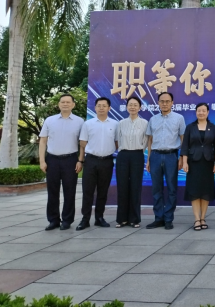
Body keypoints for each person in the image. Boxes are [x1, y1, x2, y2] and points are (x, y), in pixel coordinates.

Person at [39, 93, 84, 231]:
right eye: (62, 102)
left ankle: (67, 220)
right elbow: (43, 141)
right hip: (52, 159)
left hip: (70, 159)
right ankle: (53, 220)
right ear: (58, 104)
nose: (65, 104)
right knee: (52, 191)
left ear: (73, 105)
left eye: (68, 102)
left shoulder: (80, 121)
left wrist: (80, 160)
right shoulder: (50, 120)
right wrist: (42, 161)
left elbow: (82, 144)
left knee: (69, 191)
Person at [145, 92, 186, 231]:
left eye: (167, 101)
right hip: (155, 156)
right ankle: (158, 218)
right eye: (162, 101)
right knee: (156, 189)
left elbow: (183, 139)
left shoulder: (179, 118)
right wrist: (149, 159)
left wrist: (181, 157)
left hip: (171, 156)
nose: (165, 104)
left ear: (172, 103)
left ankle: (168, 218)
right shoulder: (153, 119)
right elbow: (150, 140)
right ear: (158, 103)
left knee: (172, 189)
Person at [76, 97, 118, 231]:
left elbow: (117, 143)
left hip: (107, 161)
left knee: (103, 191)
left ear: (109, 108)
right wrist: (80, 161)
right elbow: (83, 144)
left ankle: (99, 218)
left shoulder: (115, 124)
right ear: (95, 108)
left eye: (104, 106)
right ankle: (85, 219)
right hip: (91, 160)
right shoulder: (88, 124)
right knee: (88, 191)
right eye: (99, 105)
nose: (101, 108)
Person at [181, 103, 215, 231]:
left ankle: (203, 218)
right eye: (199, 110)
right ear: (196, 112)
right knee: (194, 191)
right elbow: (185, 146)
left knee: (206, 191)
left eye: (204, 110)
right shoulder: (190, 127)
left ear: (208, 112)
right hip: (193, 162)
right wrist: (185, 162)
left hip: (208, 163)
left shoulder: (213, 127)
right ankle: (196, 219)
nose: (201, 113)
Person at [115, 96, 148, 229]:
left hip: (137, 155)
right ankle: (122, 219)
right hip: (123, 155)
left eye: (135, 105)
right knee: (122, 186)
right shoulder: (121, 123)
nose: (132, 107)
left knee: (135, 187)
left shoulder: (145, 123)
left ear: (140, 107)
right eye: (130, 105)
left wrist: (139, 151)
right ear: (126, 107)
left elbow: (146, 141)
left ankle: (134, 219)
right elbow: (117, 140)